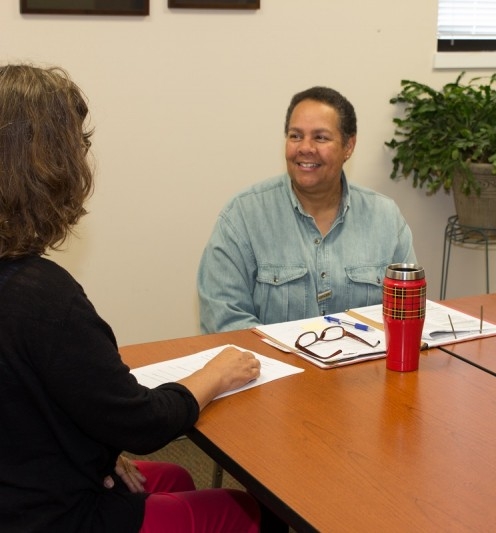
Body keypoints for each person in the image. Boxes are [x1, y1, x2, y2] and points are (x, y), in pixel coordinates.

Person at [0, 64, 264, 532]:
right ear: (48, 164)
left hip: (25, 483)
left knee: (178, 476)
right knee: (242, 513)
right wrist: (214, 374)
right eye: (76, 145)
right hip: (51, 517)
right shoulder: (40, 294)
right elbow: (143, 425)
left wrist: (96, 451)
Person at [198, 86, 417, 332]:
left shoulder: (385, 217)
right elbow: (223, 319)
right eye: (295, 136)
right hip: (274, 369)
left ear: (349, 146)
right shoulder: (243, 216)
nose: (305, 147)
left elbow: (406, 315)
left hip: (363, 369)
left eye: (320, 137)